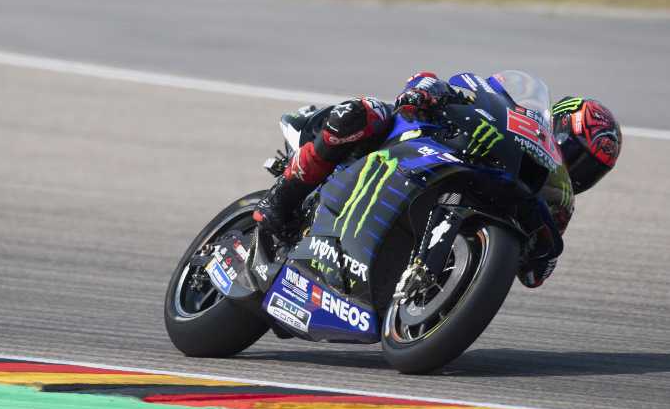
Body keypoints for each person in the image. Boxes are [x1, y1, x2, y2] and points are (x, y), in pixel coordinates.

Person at [252, 71, 622, 287]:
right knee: (367, 113)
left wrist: (538, 252)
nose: (578, 168)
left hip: (485, 197)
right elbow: (437, 80)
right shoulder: (515, 122)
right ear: (554, 126)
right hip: (419, 147)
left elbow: (534, 275)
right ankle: (282, 198)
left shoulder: (555, 205)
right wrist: (426, 91)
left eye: (591, 168)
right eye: (575, 151)